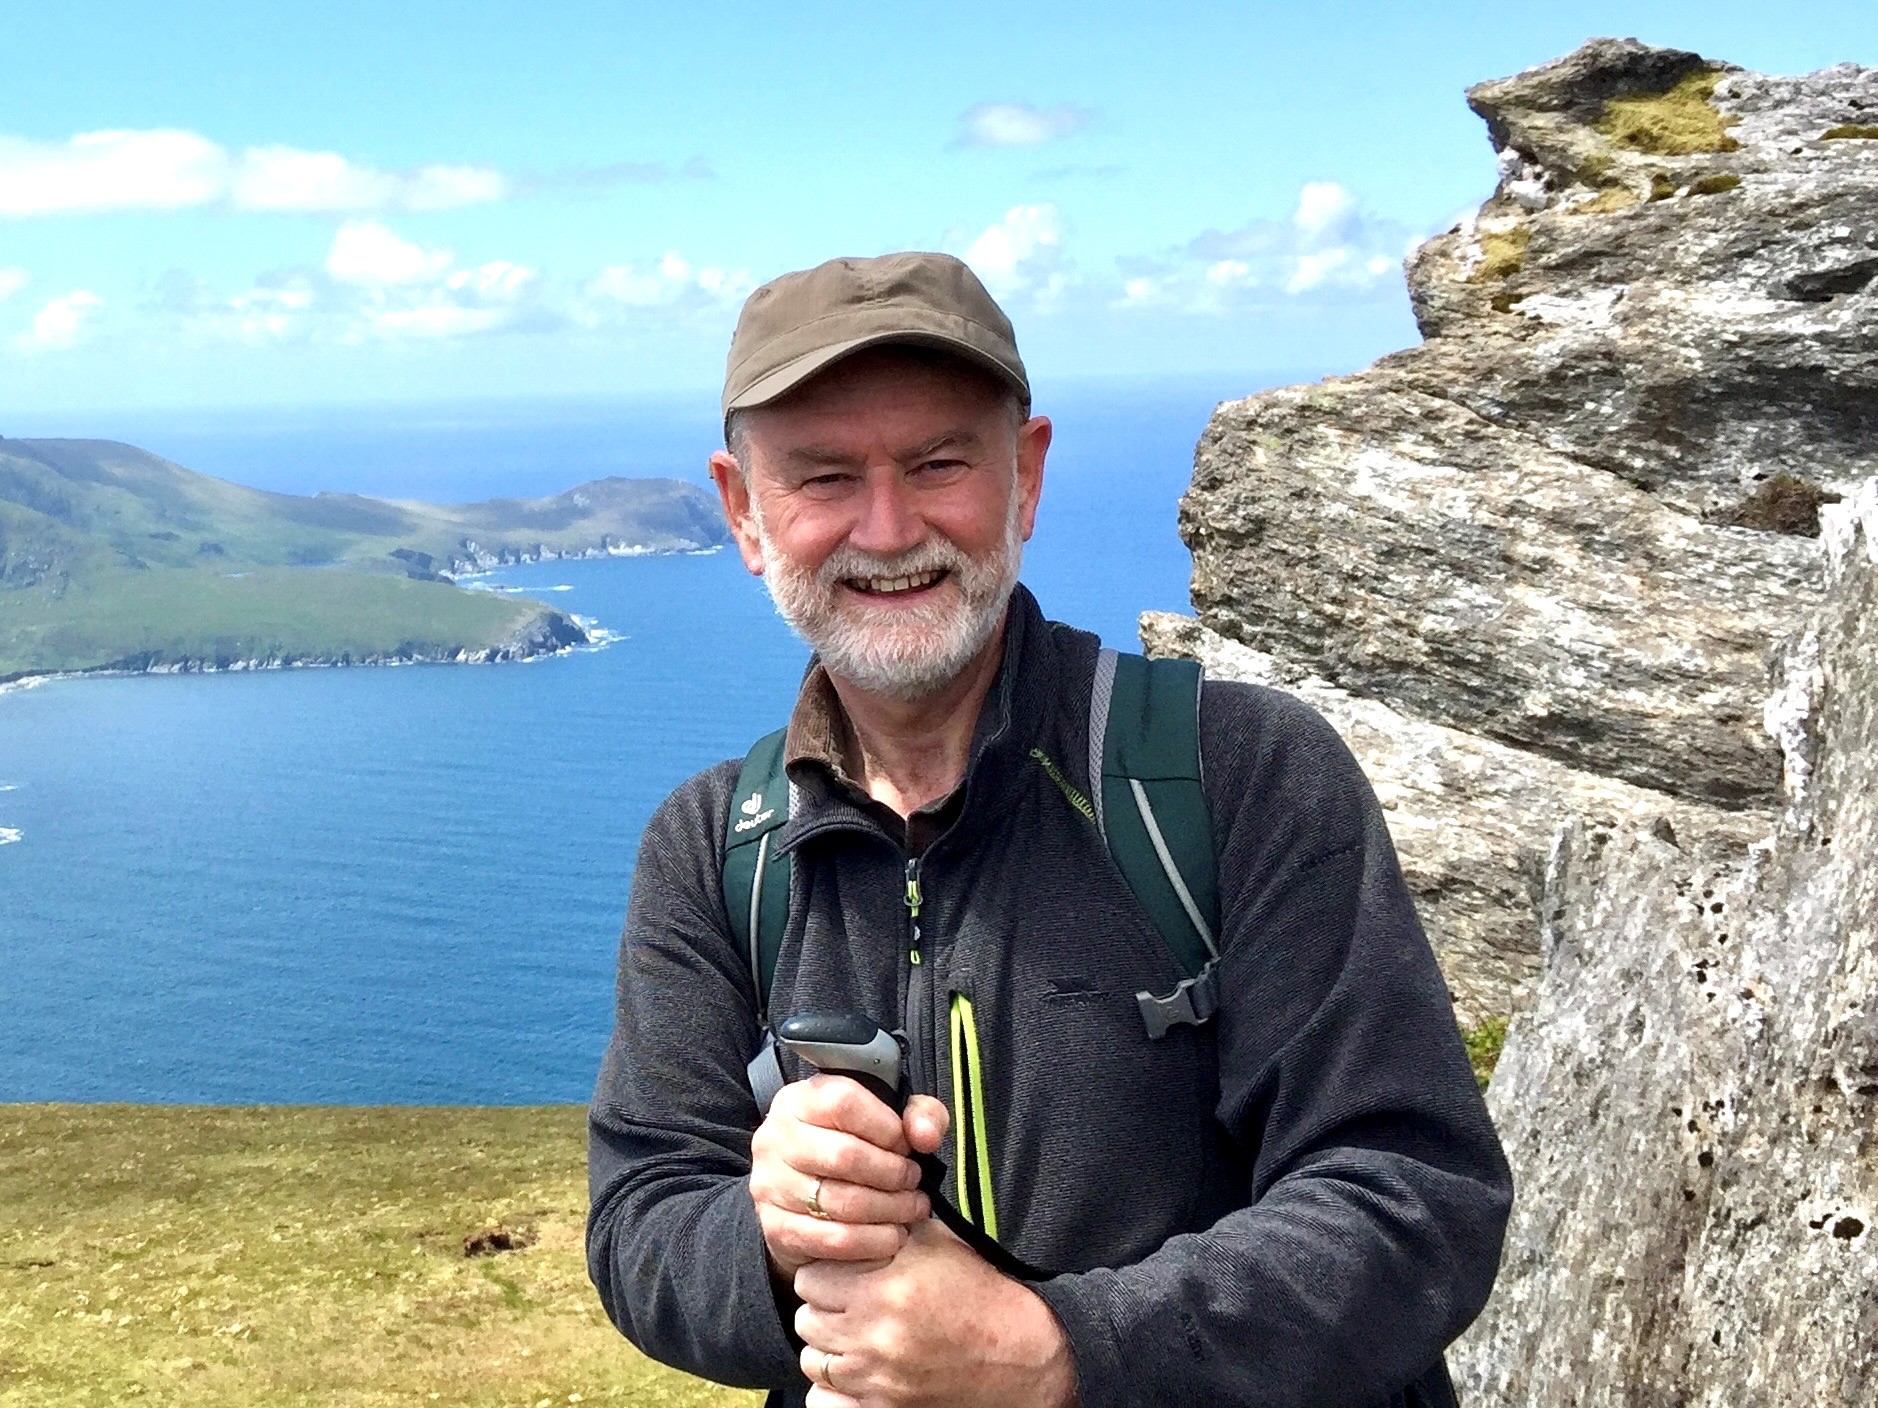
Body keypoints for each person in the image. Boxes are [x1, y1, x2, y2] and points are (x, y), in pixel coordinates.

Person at [587, 251, 1513, 1408]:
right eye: (824, 477)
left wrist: (1057, 1350)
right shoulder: (714, 848)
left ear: (1024, 478)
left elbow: (1417, 1197)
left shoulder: (1244, 776)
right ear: (745, 512)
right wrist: (770, 1232)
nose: (887, 528)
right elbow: (640, 1220)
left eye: (938, 463)